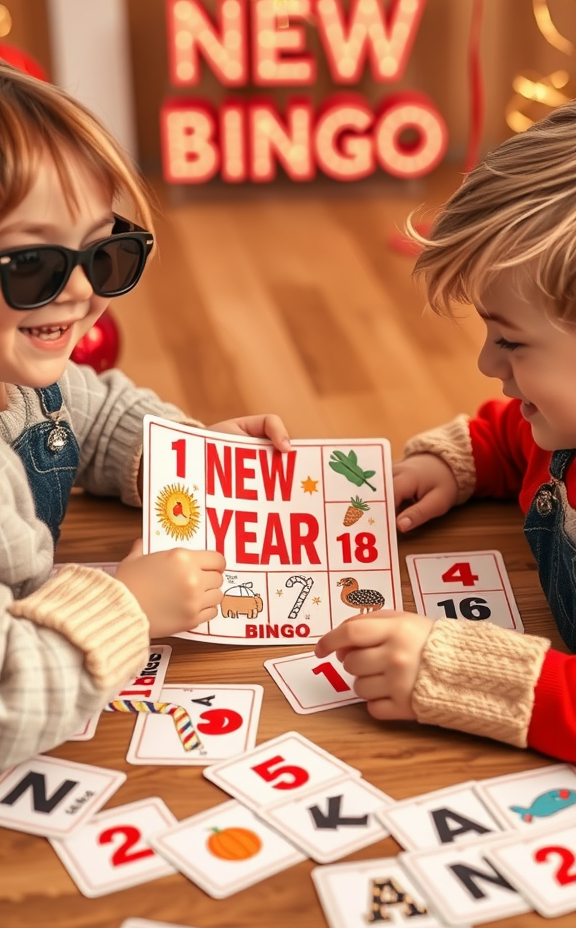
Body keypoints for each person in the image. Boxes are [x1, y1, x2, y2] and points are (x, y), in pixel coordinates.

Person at [0, 61, 290, 770]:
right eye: (30, 264)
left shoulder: (25, 381)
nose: (78, 290)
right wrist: (127, 606)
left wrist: (180, 454)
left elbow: (97, 411)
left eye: (104, 253)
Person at [317, 100, 576, 763]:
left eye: (511, 341)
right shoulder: (557, 430)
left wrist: (455, 672)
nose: (487, 364)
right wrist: (461, 460)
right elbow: (510, 437)